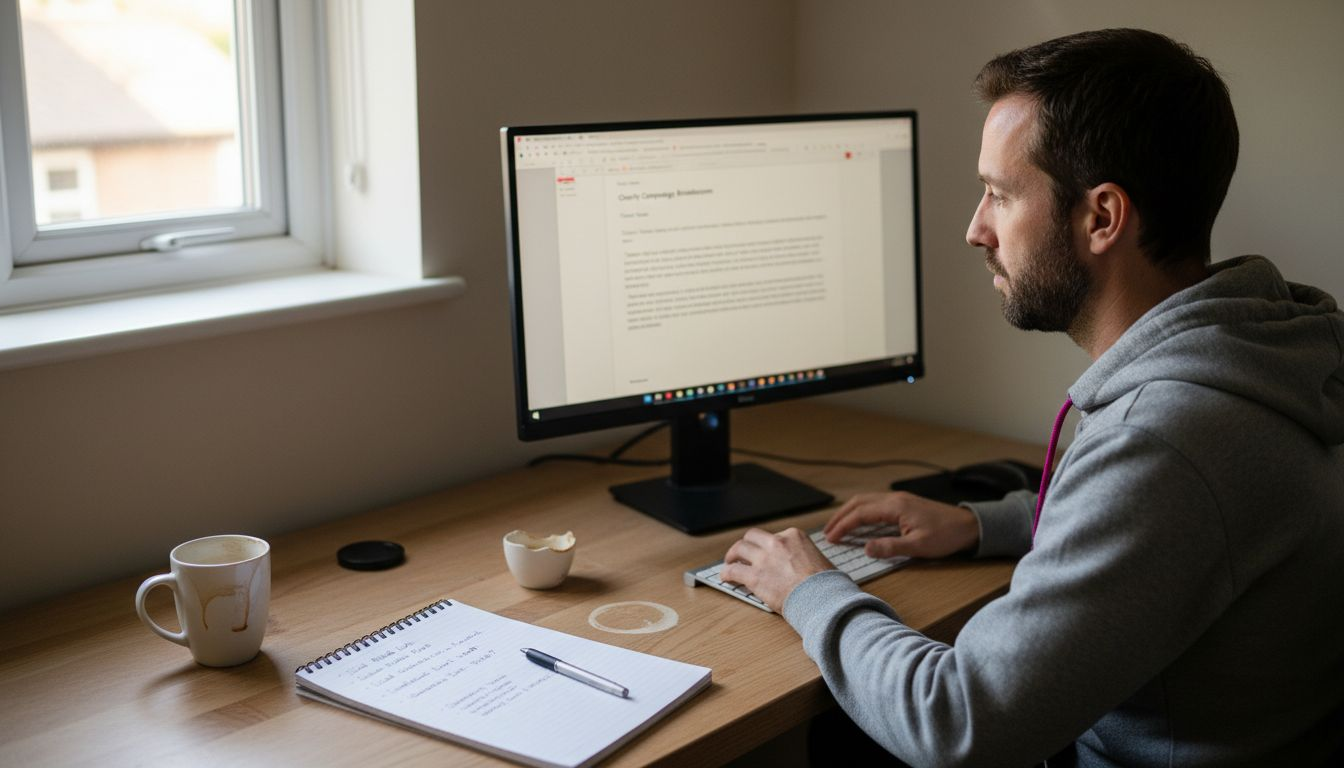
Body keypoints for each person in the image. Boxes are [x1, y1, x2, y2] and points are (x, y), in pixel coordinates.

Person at [721, 28, 1344, 767]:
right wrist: (986, 523)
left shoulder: (1169, 438)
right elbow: (1180, 528)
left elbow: (960, 724)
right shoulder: (1270, 346)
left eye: (999, 195)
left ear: (1102, 217)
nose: (974, 230)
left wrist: (810, 591)